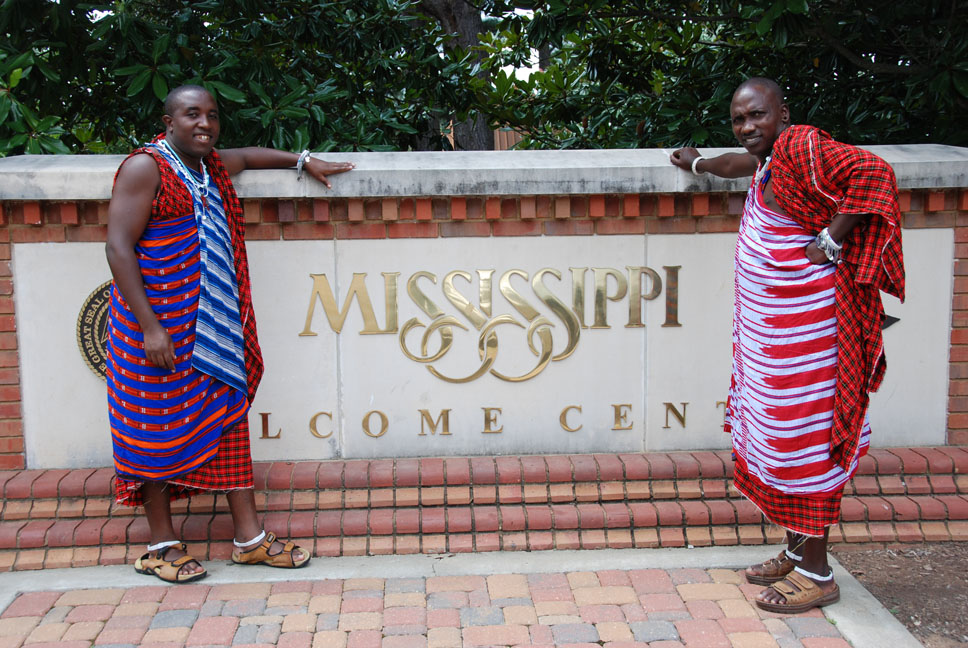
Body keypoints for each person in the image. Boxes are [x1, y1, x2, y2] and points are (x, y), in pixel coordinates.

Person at [670, 78, 904, 613]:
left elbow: (875, 174)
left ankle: (818, 574)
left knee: (804, 443)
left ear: (784, 114)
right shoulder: (772, 159)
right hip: (772, 341)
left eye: (757, 116)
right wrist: (698, 163)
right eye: (739, 119)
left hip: (810, 341)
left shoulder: (800, 148)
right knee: (775, 437)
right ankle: (799, 554)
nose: (748, 127)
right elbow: (739, 165)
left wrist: (832, 237)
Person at [105, 84, 354, 582]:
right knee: (151, 434)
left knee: (229, 424)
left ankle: (250, 539)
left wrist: (304, 161)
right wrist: (152, 329)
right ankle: (160, 545)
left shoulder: (207, 167)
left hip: (213, 330)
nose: (204, 124)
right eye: (192, 114)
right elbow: (117, 247)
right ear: (168, 120)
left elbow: (246, 157)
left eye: (212, 116)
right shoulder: (146, 167)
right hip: (154, 332)